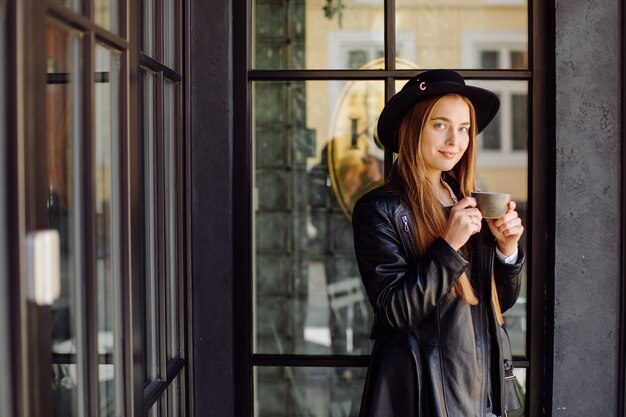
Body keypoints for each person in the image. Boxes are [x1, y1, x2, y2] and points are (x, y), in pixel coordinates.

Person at [352, 69, 525, 417]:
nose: (454, 141)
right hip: (424, 395)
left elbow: (496, 306)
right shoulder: (380, 208)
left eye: (463, 129)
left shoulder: (466, 199)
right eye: (440, 125)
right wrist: (449, 246)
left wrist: (507, 252)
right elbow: (395, 313)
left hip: (483, 392)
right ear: (412, 127)